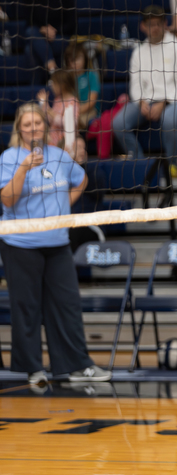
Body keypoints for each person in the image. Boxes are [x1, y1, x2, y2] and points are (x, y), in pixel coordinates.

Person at [0, 103, 111, 386]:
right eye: (27, 124)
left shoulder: (59, 156)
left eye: (37, 123)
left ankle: (77, 366)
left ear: (45, 126)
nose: (33, 128)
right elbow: (8, 200)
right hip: (21, 244)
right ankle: (32, 370)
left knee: (68, 305)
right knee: (26, 308)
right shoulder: (10, 157)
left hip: (57, 241)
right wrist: (24, 168)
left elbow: (81, 179)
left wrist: (64, 209)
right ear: (19, 129)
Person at [112, 5, 177, 178]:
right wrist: (141, 101)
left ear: (165, 24)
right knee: (118, 124)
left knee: (168, 120)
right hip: (146, 101)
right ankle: (141, 163)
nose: (154, 28)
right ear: (143, 26)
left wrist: (164, 102)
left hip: (176, 100)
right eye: (150, 24)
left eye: (158, 24)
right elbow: (135, 83)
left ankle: (172, 165)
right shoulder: (139, 52)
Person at [16, 0, 76, 84]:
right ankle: (52, 68)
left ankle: (36, 89)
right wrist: (43, 30)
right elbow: (29, 23)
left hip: (59, 39)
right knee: (31, 34)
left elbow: (72, 24)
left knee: (31, 49)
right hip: (38, 36)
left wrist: (54, 31)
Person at [36, 70, 86, 163]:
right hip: (53, 139)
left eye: (53, 83)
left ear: (61, 85)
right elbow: (51, 120)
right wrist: (44, 104)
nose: (52, 86)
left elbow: (69, 122)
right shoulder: (57, 99)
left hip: (65, 141)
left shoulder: (73, 101)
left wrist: (49, 110)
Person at [63, 43, 100, 129]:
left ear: (85, 58)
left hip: (89, 111)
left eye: (78, 58)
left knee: (74, 122)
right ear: (68, 62)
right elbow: (64, 97)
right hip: (71, 110)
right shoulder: (68, 77)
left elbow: (92, 102)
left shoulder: (91, 75)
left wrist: (76, 111)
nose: (76, 62)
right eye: (72, 60)